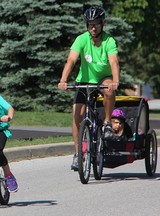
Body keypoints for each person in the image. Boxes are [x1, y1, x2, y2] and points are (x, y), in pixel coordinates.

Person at [58, 6, 120, 171]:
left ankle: (106, 121)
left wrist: (115, 80)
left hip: (102, 79)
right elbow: (71, 60)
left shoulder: (109, 41)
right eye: (90, 24)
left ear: (102, 24)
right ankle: (78, 154)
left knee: (109, 90)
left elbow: (114, 62)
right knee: (77, 115)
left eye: (96, 24)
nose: (93, 28)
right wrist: (63, 80)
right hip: (84, 81)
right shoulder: (81, 39)